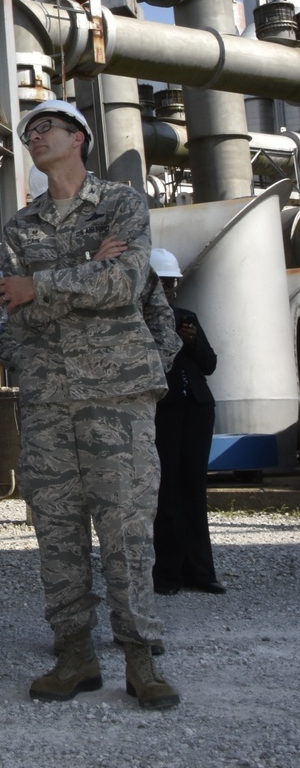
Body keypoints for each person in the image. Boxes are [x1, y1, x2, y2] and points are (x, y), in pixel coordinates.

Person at [0, 99, 179, 711]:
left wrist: (44, 284)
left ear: (80, 138)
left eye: (47, 128)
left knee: (125, 530)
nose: (35, 137)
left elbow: (126, 284)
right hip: (46, 399)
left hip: (115, 395)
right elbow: (10, 312)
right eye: (28, 132)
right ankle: (75, 654)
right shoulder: (20, 226)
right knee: (58, 533)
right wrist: (83, 273)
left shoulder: (121, 203)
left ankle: (141, 659)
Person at [150, 249, 224, 597]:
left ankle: (201, 571)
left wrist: (192, 343)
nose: (169, 291)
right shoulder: (139, 323)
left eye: (172, 284)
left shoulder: (186, 317)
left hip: (196, 409)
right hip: (163, 411)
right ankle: (168, 573)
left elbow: (209, 364)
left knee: (193, 488)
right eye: (163, 284)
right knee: (166, 490)